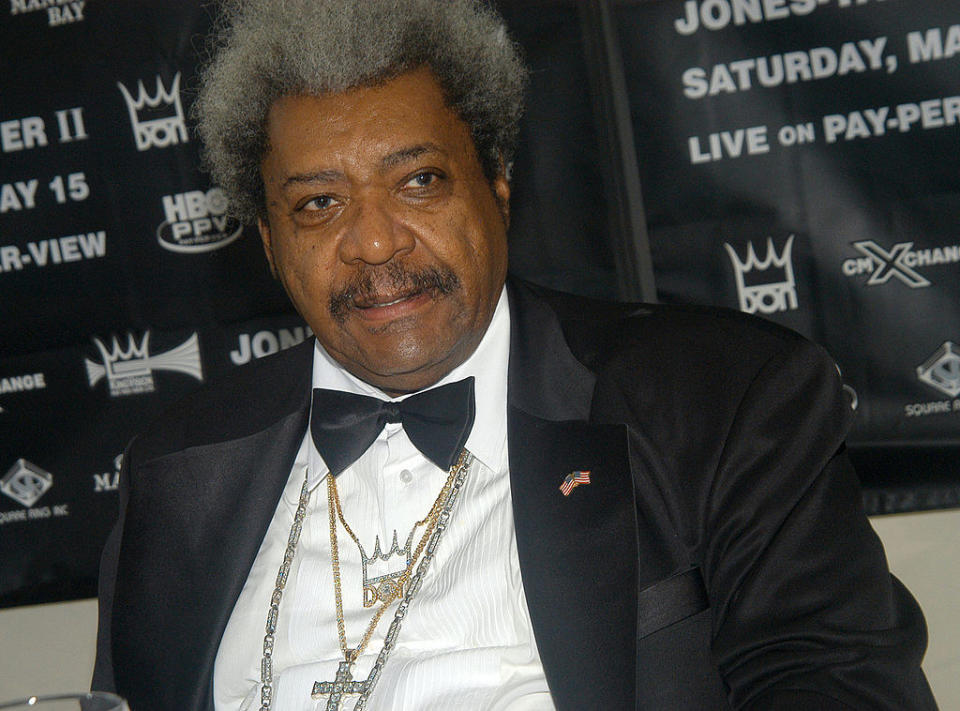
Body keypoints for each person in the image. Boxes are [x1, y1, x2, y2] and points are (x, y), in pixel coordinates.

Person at [92, 1, 937, 709]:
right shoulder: (175, 476)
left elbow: (839, 686)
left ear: (497, 182)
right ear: (271, 243)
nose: (376, 241)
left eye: (418, 180)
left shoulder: (725, 401)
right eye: (319, 203)